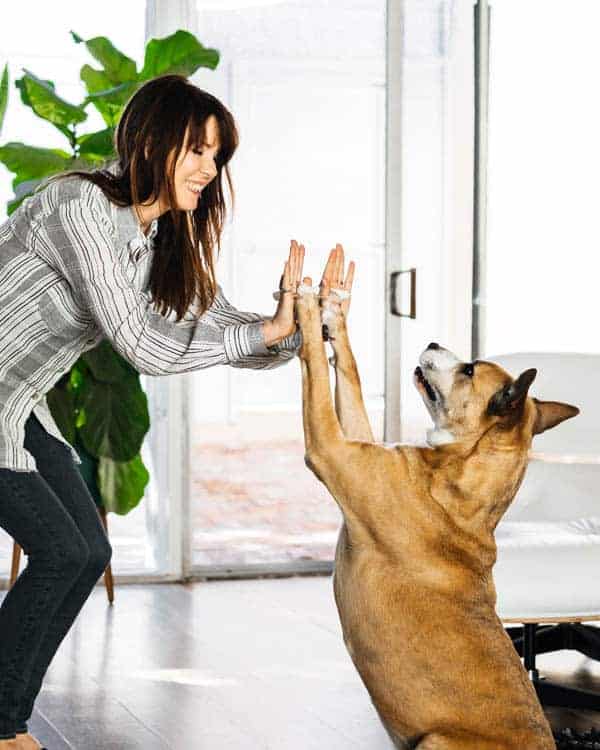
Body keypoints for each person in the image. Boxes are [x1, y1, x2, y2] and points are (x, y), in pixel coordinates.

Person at [0, 73, 355, 749]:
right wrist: (268, 332)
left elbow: (225, 326)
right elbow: (143, 345)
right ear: (151, 142)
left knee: (85, 549)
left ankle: (3, 720)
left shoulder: (164, 239)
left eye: (217, 155)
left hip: (16, 406)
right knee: (62, 548)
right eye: (197, 149)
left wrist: (309, 325)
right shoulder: (79, 206)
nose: (208, 168)